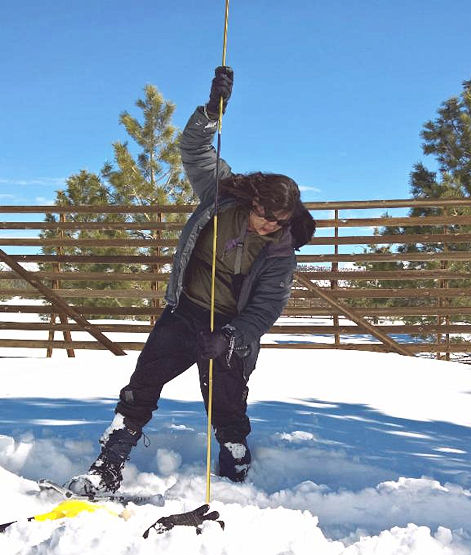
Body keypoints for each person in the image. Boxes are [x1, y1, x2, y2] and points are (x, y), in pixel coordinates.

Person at [68, 67, 316, 496]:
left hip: (229, 330)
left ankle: (235, 461)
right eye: (262, 215)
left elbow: (266, 308)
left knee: (227, 403)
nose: (266, 225)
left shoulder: (281, 251)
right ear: (253, 200)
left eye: (277, 221)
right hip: (185, 311)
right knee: (142, 383)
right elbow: (194, 147)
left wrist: (233, 337)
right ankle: (109, 463)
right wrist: (210, 111)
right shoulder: (221, 196)